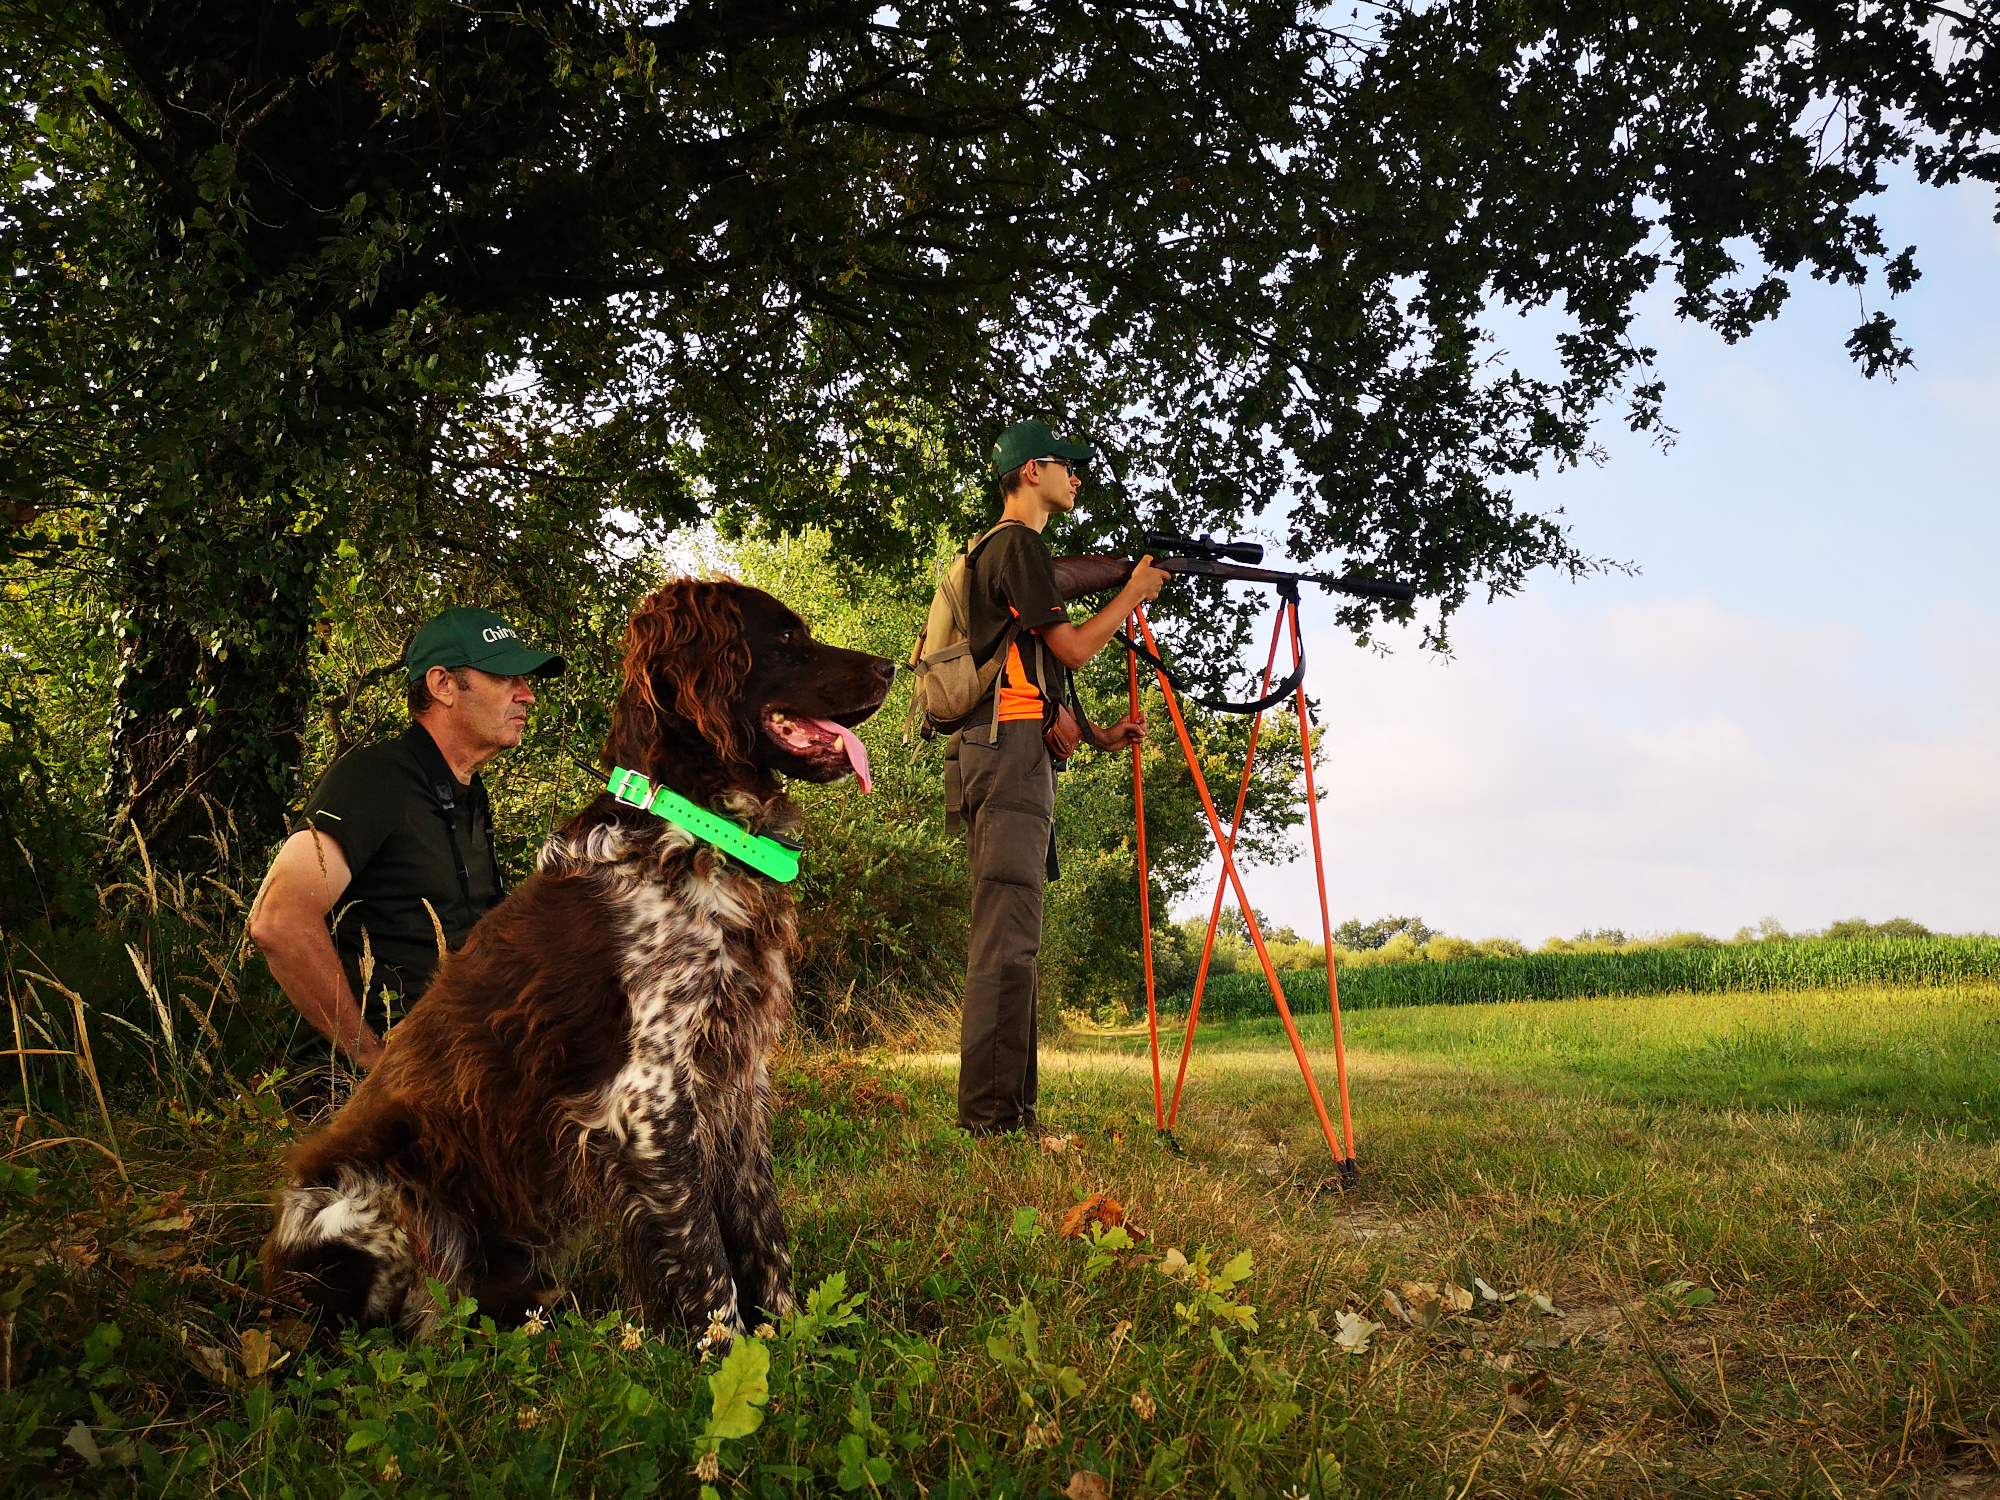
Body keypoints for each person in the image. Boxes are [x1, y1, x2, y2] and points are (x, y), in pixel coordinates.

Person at [950, 419, 1169, 1138]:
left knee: (1018, 939)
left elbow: (1034, 661)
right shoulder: (1015, 543)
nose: (1078, 478)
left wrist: (1100, 734)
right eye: (1068, 467)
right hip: (1006, 754)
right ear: (1032, 471)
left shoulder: (1014, 554)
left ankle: (1015, 1113)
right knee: (1006, 942)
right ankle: (992, 1122)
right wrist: (1133, 592)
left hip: (1015, 753)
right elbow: (1071, 649)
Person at [248, 607, 565, 1084]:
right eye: (505, 676)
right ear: (442, 685)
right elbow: (278, 921)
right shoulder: (374, 779)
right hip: (364, 1098)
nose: (527, 695)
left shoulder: (468, 792)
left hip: (456, 1073)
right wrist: (375, 1061)